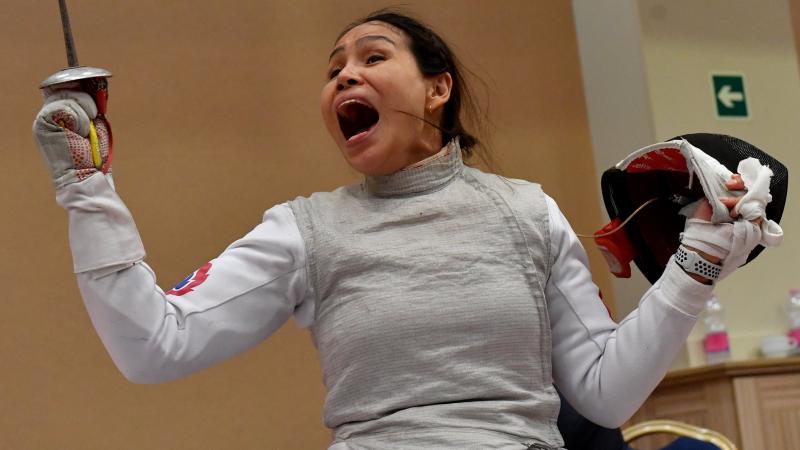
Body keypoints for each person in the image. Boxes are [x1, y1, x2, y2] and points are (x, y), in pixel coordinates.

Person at [32, 10, 766, 450]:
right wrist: (86, 190)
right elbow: (154, 346)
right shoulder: (304, 230)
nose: (344, 79)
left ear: (437, 88)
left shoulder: (526, 211)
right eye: (333, 71)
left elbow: (604, 395)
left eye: (372, 58)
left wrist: (696, 261)